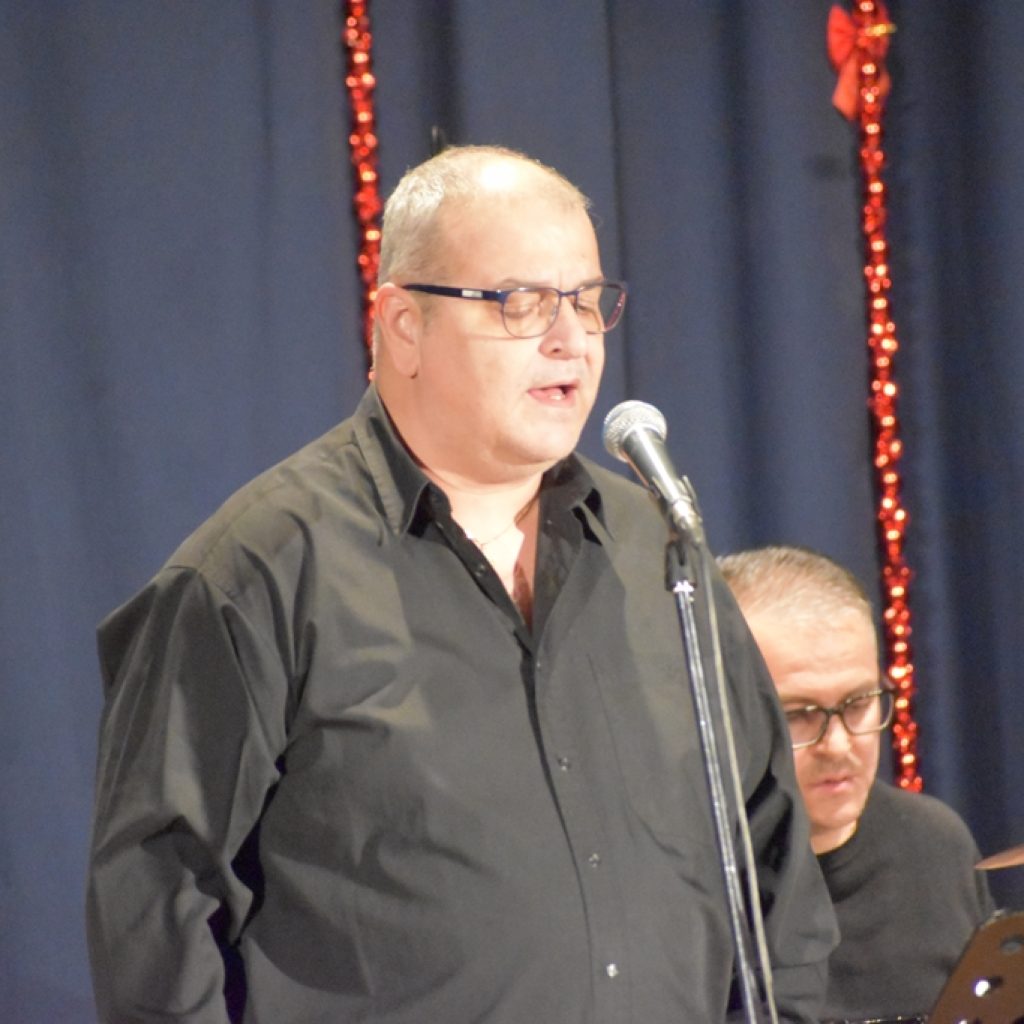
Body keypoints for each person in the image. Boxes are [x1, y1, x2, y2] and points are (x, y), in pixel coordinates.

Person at [87, 144, 837, 1023]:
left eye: (587, 301)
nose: (570, 339)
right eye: (523, 302)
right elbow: (157, 917)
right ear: (405, 325)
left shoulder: (659, 552)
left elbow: (773, 875)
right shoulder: (258, 573)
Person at [718, 544, 996, 1022]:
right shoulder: (682, 880)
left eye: (858, 703)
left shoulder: (935, 843)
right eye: (799, 715)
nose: (839, 745)